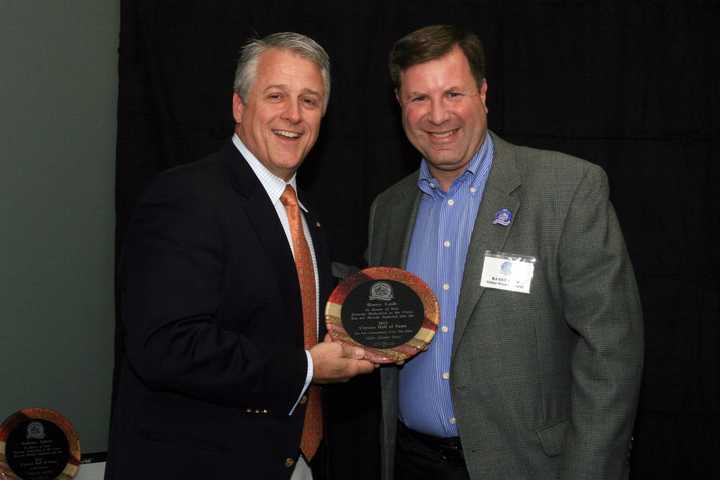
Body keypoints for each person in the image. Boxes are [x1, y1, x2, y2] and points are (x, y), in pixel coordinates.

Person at [366, 25, 643, 480]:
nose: (438, 115)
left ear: (483, 93)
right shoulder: (389, 210)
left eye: (453, 93)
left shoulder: (566, 190)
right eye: (419, 98)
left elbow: (611, 351)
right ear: (400, 104)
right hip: (411, 461)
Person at [105, 32, 375, 480]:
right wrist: (307, 367)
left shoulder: (305, 217)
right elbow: (166, 346)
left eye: (309, 101)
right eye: (276, 96)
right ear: (238, 106)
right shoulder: (185, 197)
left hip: (293, 461)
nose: (293, 114)